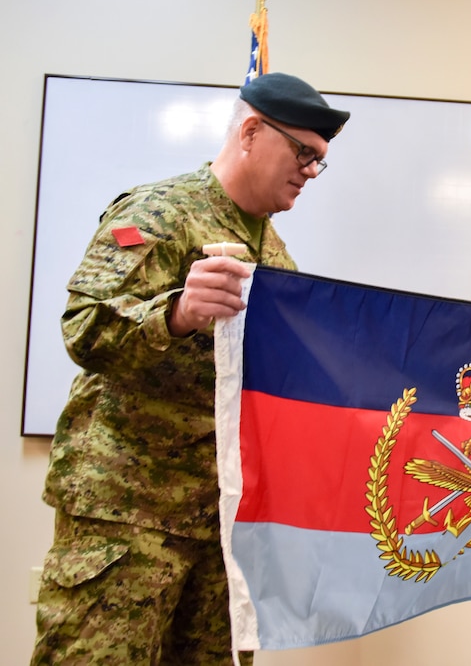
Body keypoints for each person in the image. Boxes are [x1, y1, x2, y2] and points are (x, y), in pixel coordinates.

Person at [32, 72, 350, 665]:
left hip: (224, 522)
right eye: (303, 152)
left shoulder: (275, 254)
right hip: (129, 513)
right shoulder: (159, 213)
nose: (310, 171)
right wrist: (175, 313)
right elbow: (85, 326)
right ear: (252, 132)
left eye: (319, 162)